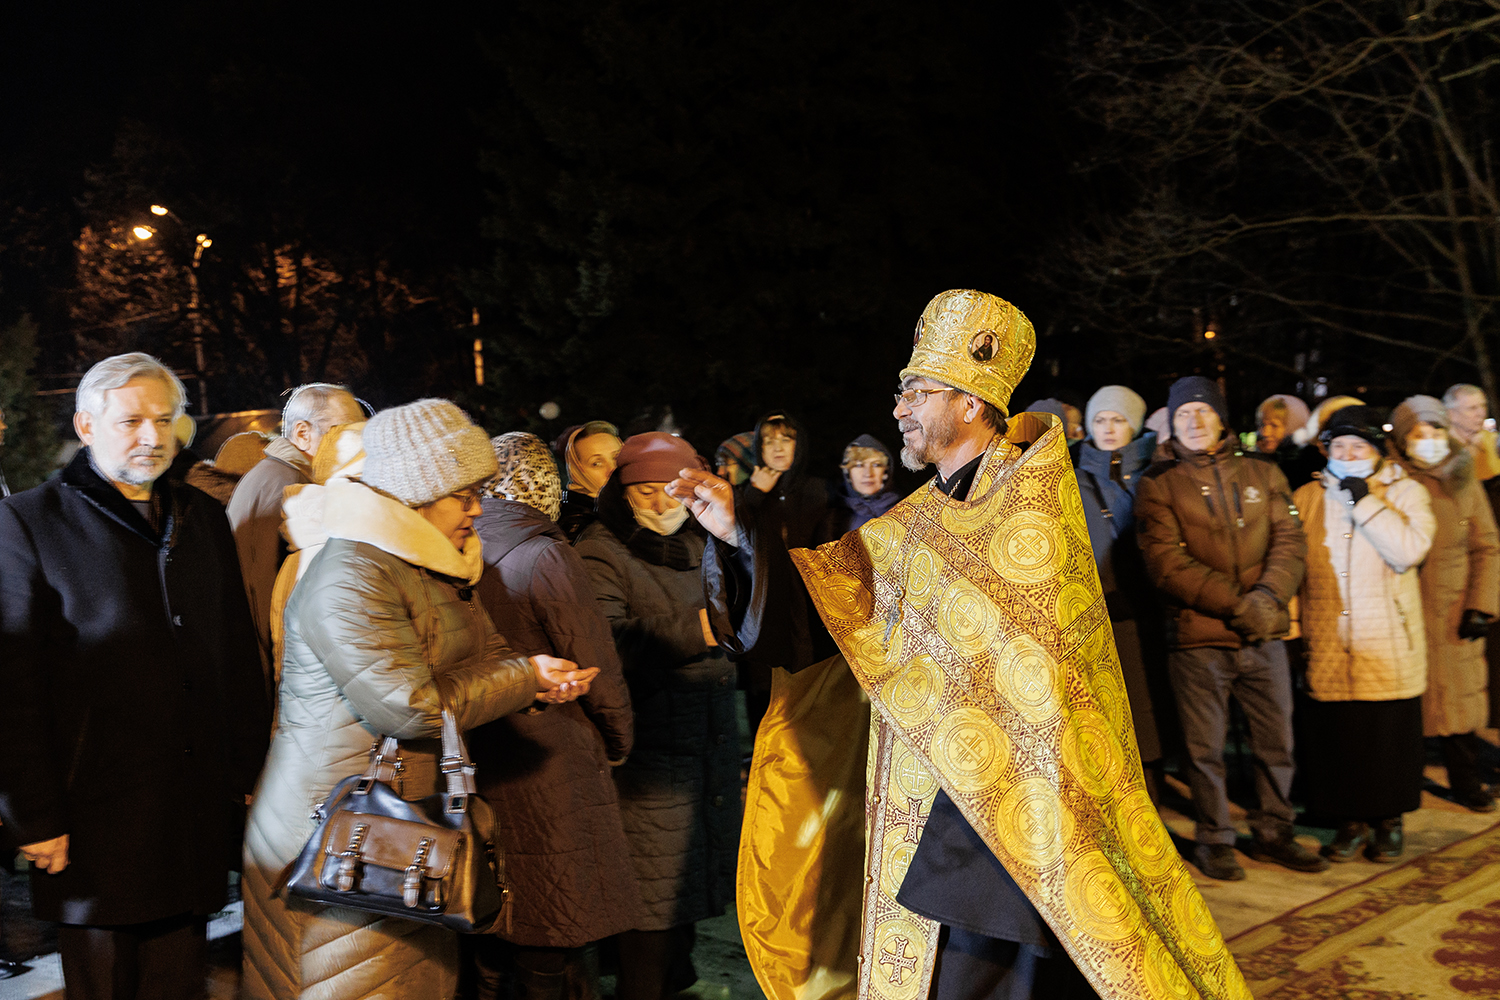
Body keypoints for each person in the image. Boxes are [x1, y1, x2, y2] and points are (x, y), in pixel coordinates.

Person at [670, 290, 1250, 1000]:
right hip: (940, 807)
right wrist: (736, 535)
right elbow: (835, 611)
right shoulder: (922, 517)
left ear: (971, 402)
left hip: (1018, 819)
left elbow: (1025, 662)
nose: (898, 408)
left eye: (915, 391)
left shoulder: (1029, 502)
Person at [240, 399, 597, 1000]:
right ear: (416, 492)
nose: (479, 509)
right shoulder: (349, 572)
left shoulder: (427, 566)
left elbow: (488, 654)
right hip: (336, 836)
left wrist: (534, 679)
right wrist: (522, 679)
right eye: (465, 494)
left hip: (401, 828)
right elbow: (406, 706)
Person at [0, 352, 270, 1000]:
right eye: (130, 420)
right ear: (86, 424)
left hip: (190, 809)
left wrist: (248, 773)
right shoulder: (29, 522)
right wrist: (34, 818)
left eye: (165, 419)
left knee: (180, 979)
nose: (151, 436)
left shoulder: (201, 517)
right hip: (92, 822)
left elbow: (233, 652)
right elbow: (12, 687)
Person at [466, 432, 642, 1000]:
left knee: (493, 911)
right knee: (554, 923)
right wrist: (616, 738)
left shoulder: (459, 548)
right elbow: (594, 664)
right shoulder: (546, 552)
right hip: (551, 757)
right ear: (544, 487)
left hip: (481, 749)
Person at [1135, 375, 1325, 881]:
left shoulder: (1264, 472)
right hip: (1199, 638)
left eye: (1203, 412)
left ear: (1221, 418)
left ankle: (1274, 831)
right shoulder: (1158, 481)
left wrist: (1267, 599)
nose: (1194, 422)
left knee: (1275, 741)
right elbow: (1166, 564)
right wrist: (1245, 605)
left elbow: (1291, 542)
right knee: (1205, 749)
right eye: (1183, 416)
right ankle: (1215, 837)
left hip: (1264, 635)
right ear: (1172, 425)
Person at [575, 433, 739, 1000]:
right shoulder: (601, 550)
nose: (661, 503)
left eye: (671, 490)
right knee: (651, 907)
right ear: (622, 495)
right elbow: (607, 645)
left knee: (686, 903)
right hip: (648, 759)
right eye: (644, 491)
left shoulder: (701, 538)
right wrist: (700, 629)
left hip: (704, 748)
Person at [1294, 406, 1435, 861]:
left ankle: (1389, 822)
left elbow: (1409, 550)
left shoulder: (1406, 491)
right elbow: (1293, 567)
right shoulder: (1307, 497)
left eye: (1359, 445)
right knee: (1340, 737)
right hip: (1328, 635)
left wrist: (1365, 502)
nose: (1348, 453)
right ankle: (1348, 822)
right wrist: (1295, 627)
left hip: (1388, 636)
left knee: (1387, 735)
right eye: (1339, 446)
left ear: (1376, 450)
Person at [1391, 396, 1499, 812]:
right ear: (1402, 439)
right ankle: (1400, 786)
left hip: (1455, 609)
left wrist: (1481, 605)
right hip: (1404, 610)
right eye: (1420, 432)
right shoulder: (1389, 479)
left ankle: (1466, 781)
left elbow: (1487, 548)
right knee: (1405, 707)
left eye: (1437, 430)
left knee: (1459, 702)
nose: (1431, 439)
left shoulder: (1463, 478)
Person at [227, 382, 365, 682]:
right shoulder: (288, 487)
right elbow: (265, 595)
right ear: (303, 433)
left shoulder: (284, 479)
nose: (357, 444)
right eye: (346, 432)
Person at [1075, 385, 1171, 802]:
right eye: (1100, 420)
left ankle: (1154, 791)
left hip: (1152, 607)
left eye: (1118, 420)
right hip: (1101, 608)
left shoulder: (1159, 471)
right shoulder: (1073, 477)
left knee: (1152, 703)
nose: (1109, 429)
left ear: (1133, 425)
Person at [557, 420, 622, 542]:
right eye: (596, 463)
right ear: (577, 471)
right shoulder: (580, 525)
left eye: (616, 458)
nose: (612, 469)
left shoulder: (627, 506)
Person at [828, 434, 899, 535]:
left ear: (886, 471)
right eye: (858, 465)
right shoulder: (829, 519)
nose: (868, 473)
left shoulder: (906, 513)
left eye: (876, 465)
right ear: (848, 473)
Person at [1445, 384, 1500, 483]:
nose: (1481, 413)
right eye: (1472, 408)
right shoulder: (1442, 448)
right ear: (1451, 414)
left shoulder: (1494, 440)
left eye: (1483, 406)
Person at [1252, 394, 1310, 482]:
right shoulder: (1254, 463)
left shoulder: (1307, 469)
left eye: (1274, 425)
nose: (1265, 433)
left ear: (1295, 428)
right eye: (1262, 425)